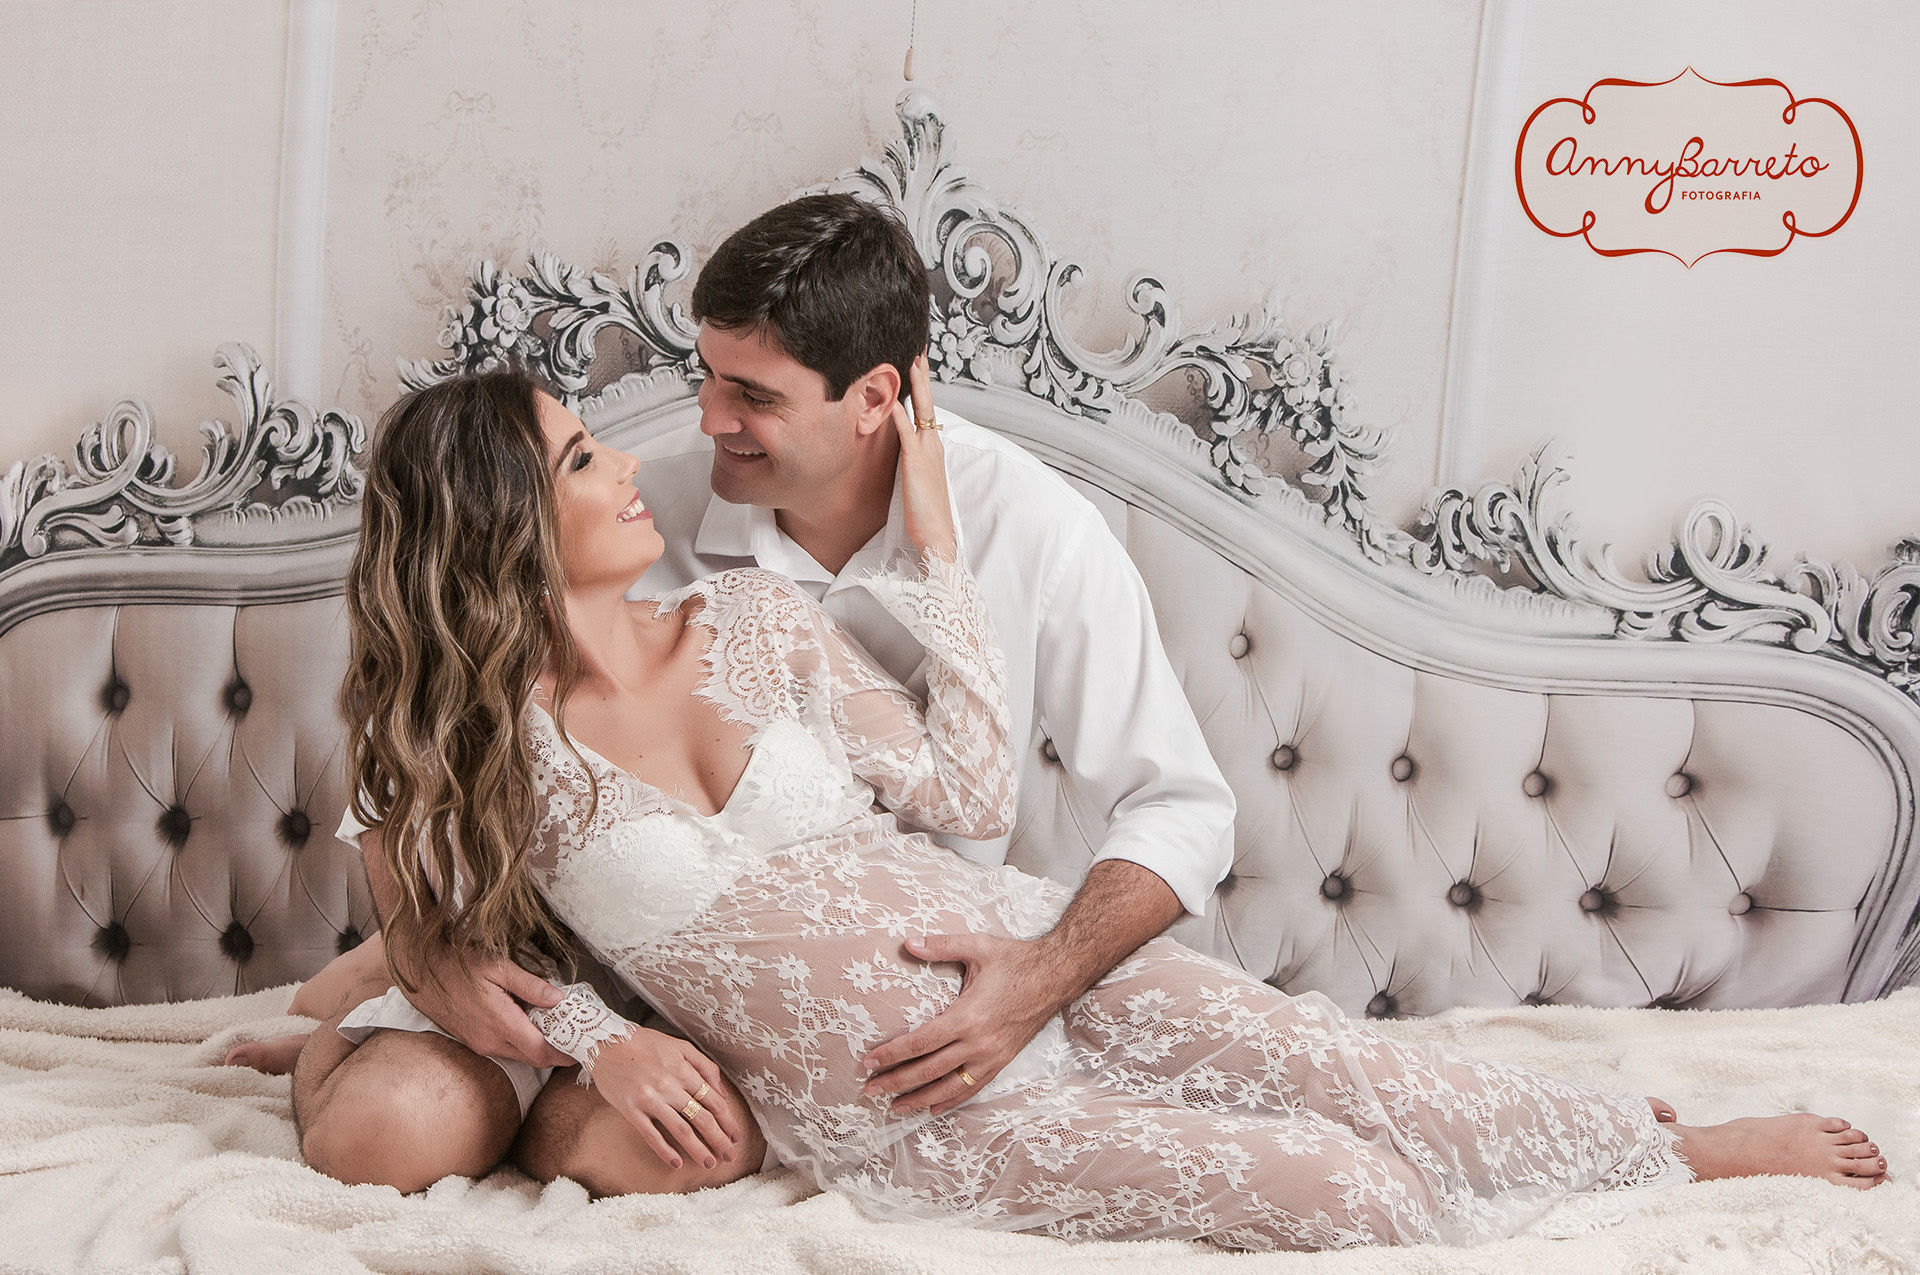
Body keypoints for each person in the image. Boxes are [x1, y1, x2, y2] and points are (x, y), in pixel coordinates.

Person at [283, 362, 1884, 1251]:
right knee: (1353, 1189)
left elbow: (970, 786)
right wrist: (597, 1037)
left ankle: (1672, 1145)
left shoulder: (754, 622)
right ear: (498, 519)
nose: (629, 469)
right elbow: (434, 947)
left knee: (1347, 1065)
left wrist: (935, 547)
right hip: (922, 1099)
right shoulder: (462, 748)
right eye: (579, 461)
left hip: (1029, 954)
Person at [240, 192, 1244, 1195]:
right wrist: (438, 968)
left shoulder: (1033, 531)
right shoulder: (652, 506)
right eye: (707, 377)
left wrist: (1040, 979)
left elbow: (1176, 806)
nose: (707, 419)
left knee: (696, 1143)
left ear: (873, 397)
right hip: (602, 956)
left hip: (889, 988)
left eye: (752, 395)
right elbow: (438, 709)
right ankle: (373, 1028)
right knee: (407, 1118)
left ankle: (415, 1037)